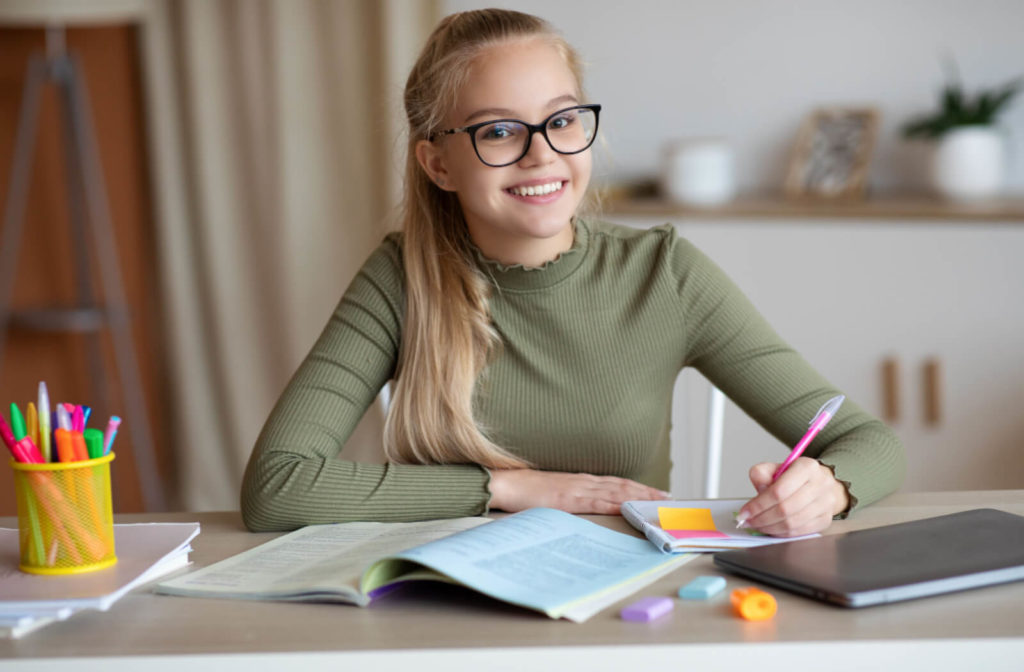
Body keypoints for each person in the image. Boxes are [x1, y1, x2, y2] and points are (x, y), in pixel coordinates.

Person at [240, 8, 904, 536]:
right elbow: (276, 486)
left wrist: (830, 488)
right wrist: (509, 487)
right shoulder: (399, 278)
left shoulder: (663, 273)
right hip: (448, 606)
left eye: (561, 120)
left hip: (629, 601)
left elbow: (868, 442)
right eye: (498, 131)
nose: (541, 155)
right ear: (438, 164)